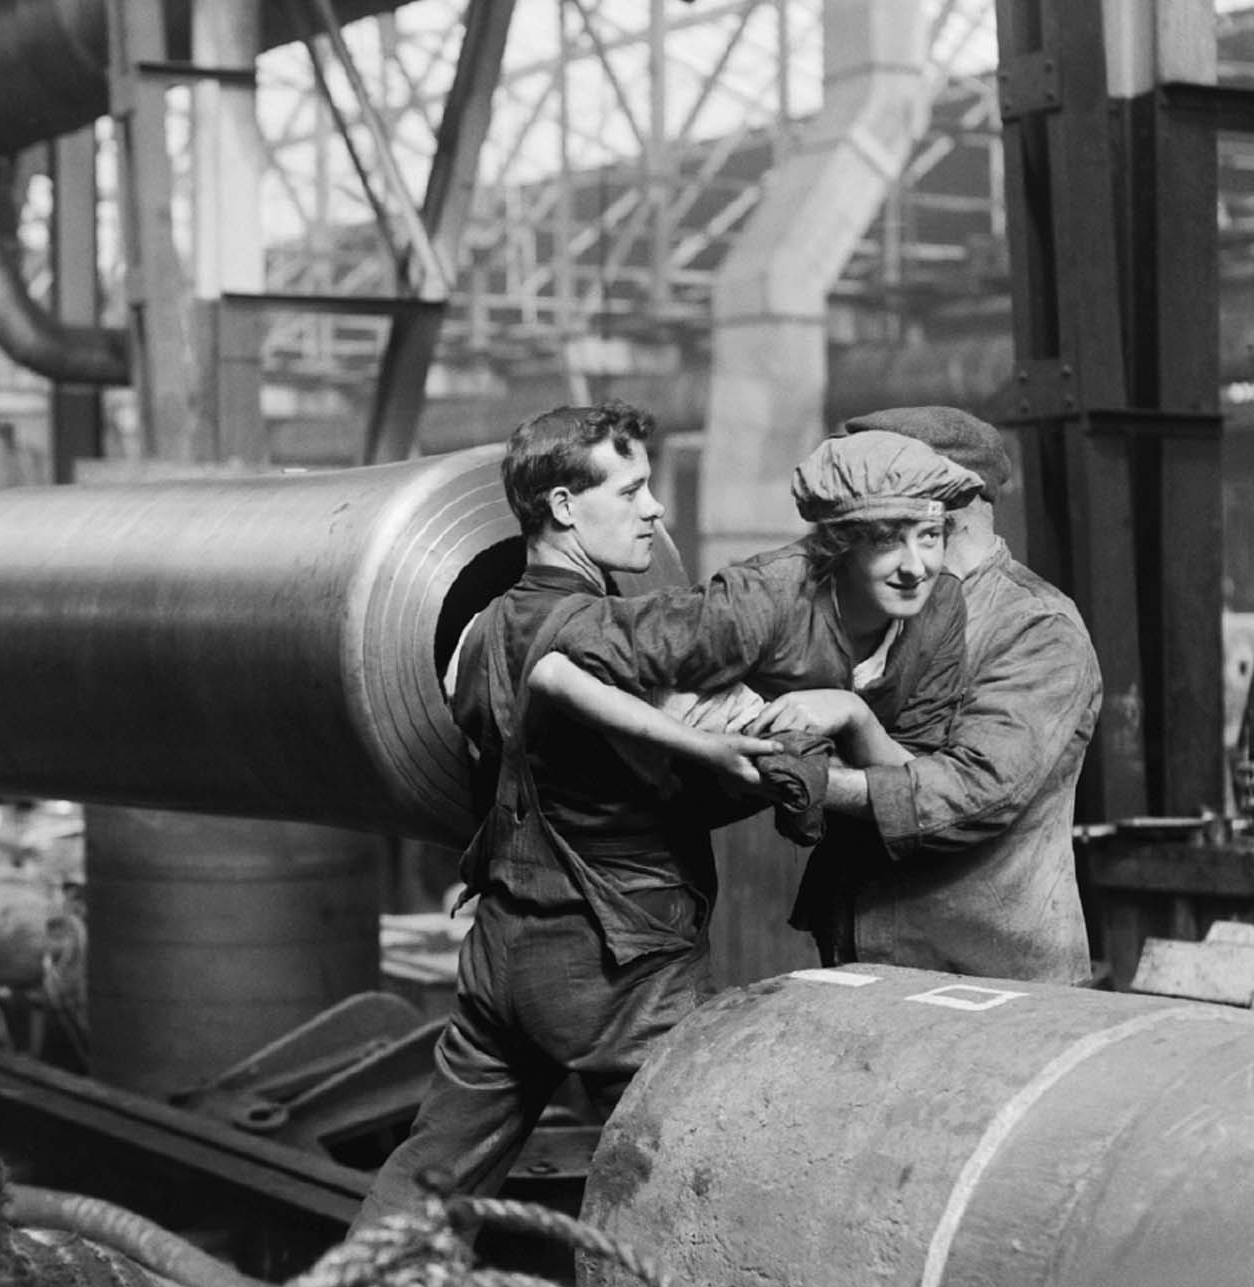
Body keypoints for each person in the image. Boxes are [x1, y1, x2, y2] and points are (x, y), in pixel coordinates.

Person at [353, 406, 976, 1228]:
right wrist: (764, 743)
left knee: (430, 1177)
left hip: (503, 946)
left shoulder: (477, 629)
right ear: (566, 508)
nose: (654, 508)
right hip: (616, 957)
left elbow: (540, 702)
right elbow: (566, 682)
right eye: (635, 488)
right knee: (697, 1165)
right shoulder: (584, 629)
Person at [528, 427, 986, 965]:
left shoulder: (940, 607)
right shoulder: (759, 601)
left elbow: (920, 784)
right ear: (840, 544)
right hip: (624, 841)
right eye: (888, 540)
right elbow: (569, 644)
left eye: (929, 537)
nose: (916, 567)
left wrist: (853, 715)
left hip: (861, 866)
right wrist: (707, 731)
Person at [805, 405, 1099, 983]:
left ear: (947, 496)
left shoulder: (1034, 626)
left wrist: (821, 780)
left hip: (991, 984)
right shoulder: (877, 611)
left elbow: (975, 793)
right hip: (868, 969)